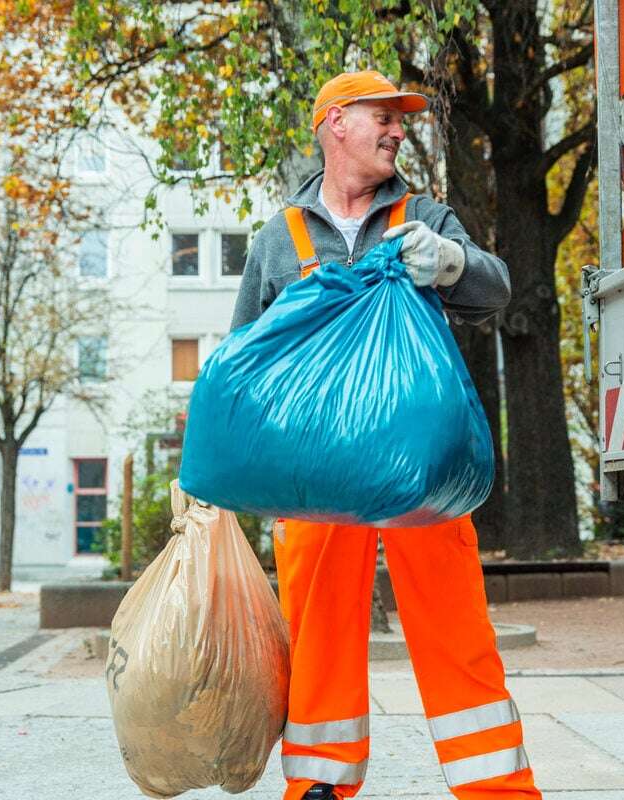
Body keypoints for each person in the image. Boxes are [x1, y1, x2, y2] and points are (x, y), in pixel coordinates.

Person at [231, 71, 540, 800]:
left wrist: (452, 262)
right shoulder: (281, 239)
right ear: (335, 123)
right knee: (317, 640)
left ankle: (499, 791)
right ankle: (319, 787)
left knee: (455, 630)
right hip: (314, 479)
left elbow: (494, 288)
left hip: (419, 468)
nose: (400, 129)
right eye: (384, 116)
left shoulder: (423, 215)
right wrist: (226, 487)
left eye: (404, 120)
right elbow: (242, 358)